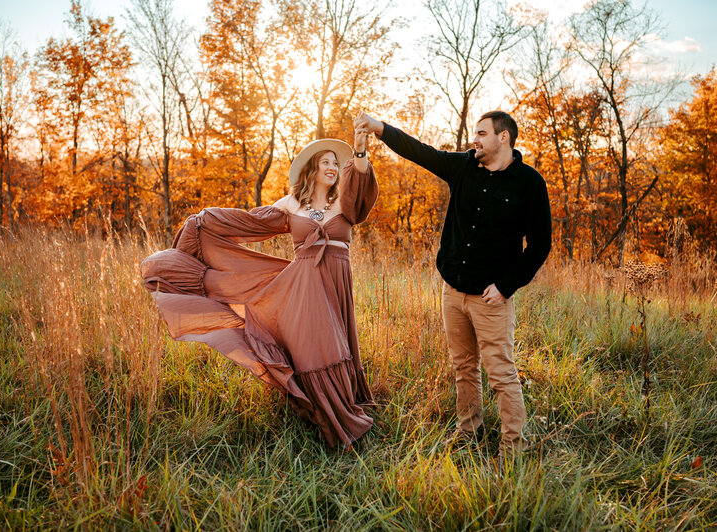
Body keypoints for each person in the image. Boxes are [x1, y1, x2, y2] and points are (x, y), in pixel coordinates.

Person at [140, 125, 378, 449]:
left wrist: (361, 150)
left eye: (336, 162)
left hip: (335, 279)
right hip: (303, 286)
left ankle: (346, 402)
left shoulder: (345, 203)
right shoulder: (293, 203)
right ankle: (329, 422)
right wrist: (205, 219)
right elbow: (250, 223)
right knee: (318, 348)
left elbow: (362, 189)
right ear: (312, 168)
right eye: (325, 162)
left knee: (340, 342)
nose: (332, 167)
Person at [354, 110, 551, 456]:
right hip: (453, 291)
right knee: (463, 367)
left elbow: (540, 245)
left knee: (501, 374)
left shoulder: (529, 184)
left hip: (491, 299)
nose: (474, 140)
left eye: (481, 134)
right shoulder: (463, 167)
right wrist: (379, 128)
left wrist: (506, 285)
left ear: (503, 137)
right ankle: (468, 431)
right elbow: (419, 150)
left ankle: (513, 448)